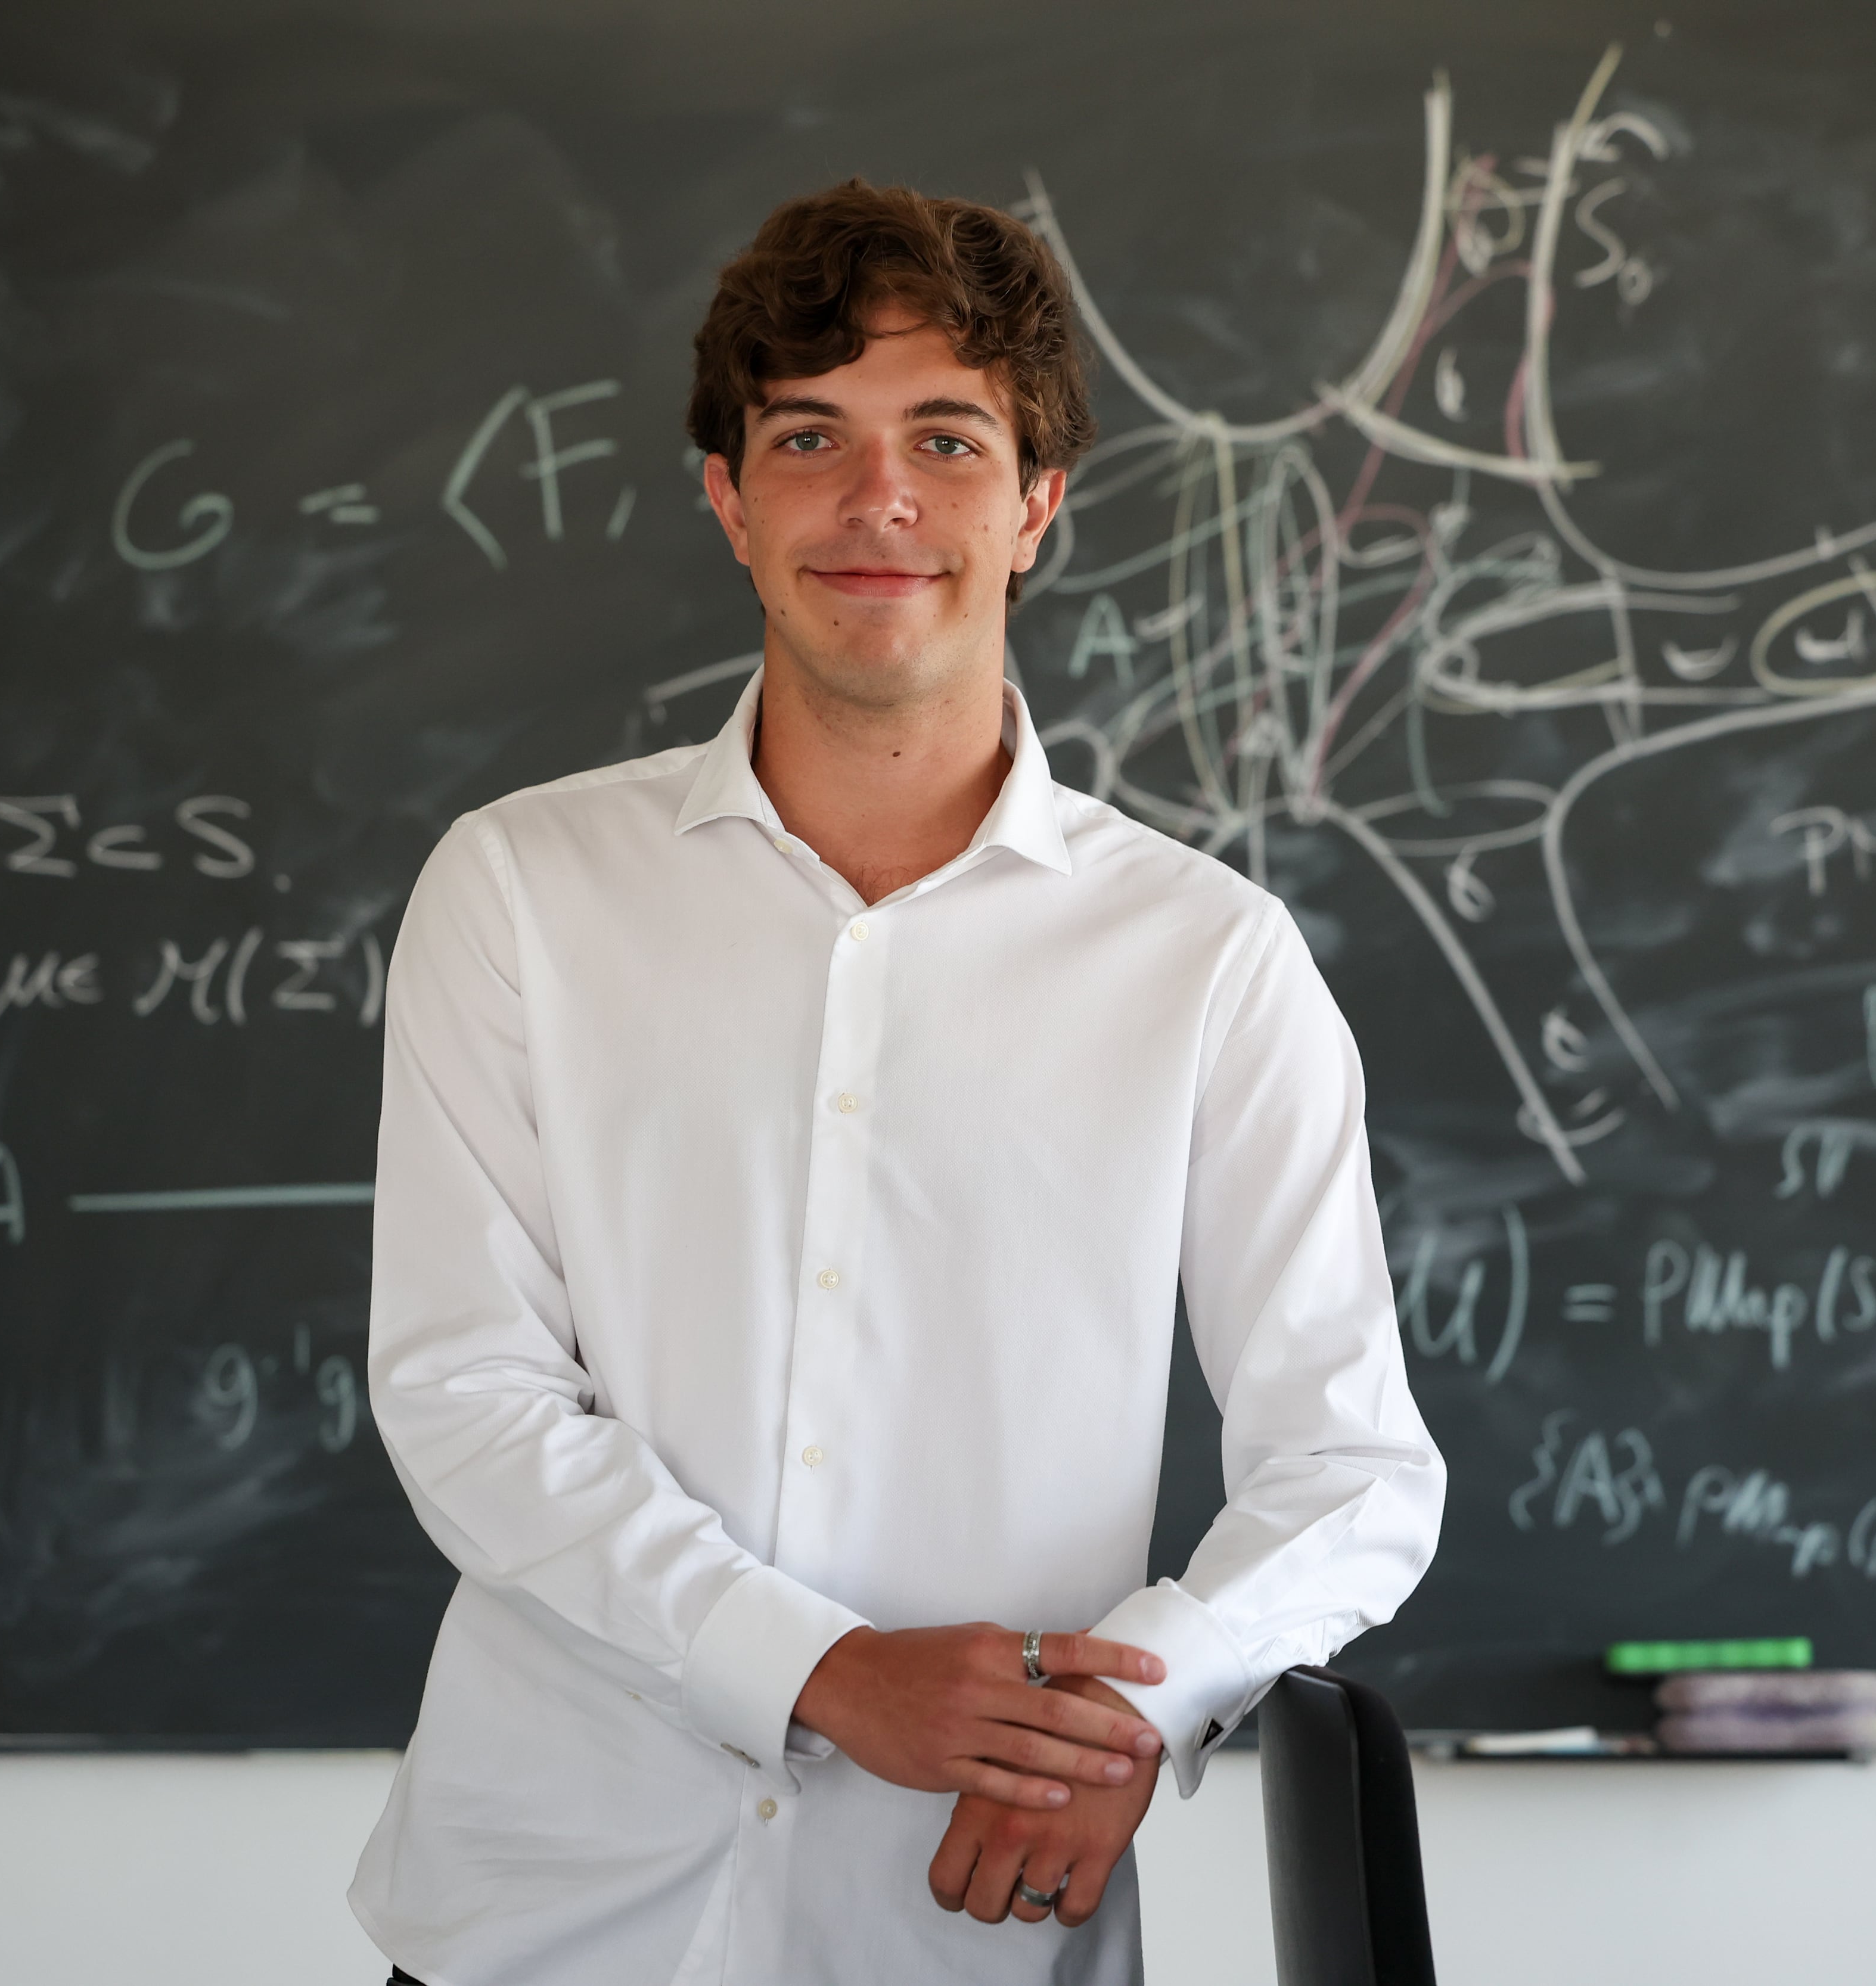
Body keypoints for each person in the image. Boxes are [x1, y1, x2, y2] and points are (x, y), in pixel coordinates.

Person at [349, 178, 1445, 1986]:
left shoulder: (1208, 959)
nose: (881, 501)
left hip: (974, 1931)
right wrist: (821, 1672)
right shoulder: (521, 890)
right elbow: (465, 1393)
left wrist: (1134, 1717)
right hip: (546, 1919)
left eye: (947, 438)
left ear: (1036, 509)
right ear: (727, 499)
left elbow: (1352, 1471)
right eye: (809, 439)